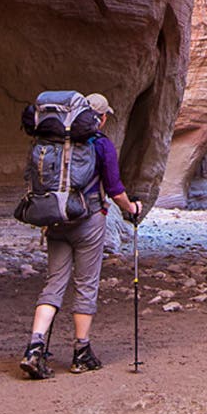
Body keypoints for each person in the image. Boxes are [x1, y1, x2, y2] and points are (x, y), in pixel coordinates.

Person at [22, 93, 143, 378]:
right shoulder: (100, 144)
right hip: (88, 221)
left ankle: (34, 347)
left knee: (54, 283)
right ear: (99, 118)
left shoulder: (50, 142)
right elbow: (114, 189)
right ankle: (81, 352)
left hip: (55, 219)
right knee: (86, 285)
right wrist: (131, 208)